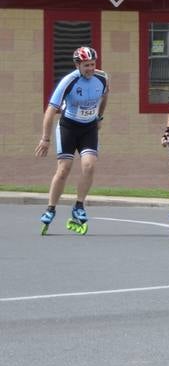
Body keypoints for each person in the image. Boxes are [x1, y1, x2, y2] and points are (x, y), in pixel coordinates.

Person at [34, 46, 109, 235]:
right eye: (86, 66)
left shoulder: (102, 78)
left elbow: (105, 95)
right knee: (64, 169)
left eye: (92, 64)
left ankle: (79, 206)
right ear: (77, 65)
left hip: (89, 128)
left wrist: (99, 117)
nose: (90, 69)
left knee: (89, 165)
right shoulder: (69, 81)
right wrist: (45, 139)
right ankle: (51, 208)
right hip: (68, 127)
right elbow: (51, 110)